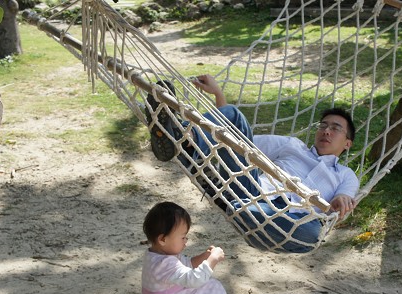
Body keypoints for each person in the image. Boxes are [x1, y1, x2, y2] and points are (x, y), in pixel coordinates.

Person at [147, 75, 359, 253]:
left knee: (312, 234)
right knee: (233, 115)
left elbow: (345, 197)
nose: (327, 131)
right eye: (323, 125)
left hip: (292, 221)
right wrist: (219, 97)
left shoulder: (345, 175)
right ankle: (180, 135)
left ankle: (233, 204)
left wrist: (342, 199)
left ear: (347, 143)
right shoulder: (293, 146)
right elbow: (236, 139)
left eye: (336, 128)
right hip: (253, 193)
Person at [128, 201, 233, 294]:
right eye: (183, 237)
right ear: (163, 239)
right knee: (212, 287)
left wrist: (204, 256)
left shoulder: (154, 255)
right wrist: (212, 260)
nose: (186, 242)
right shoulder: (164, 263)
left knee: (209, 286)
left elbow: (186, 264)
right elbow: (195, 280)